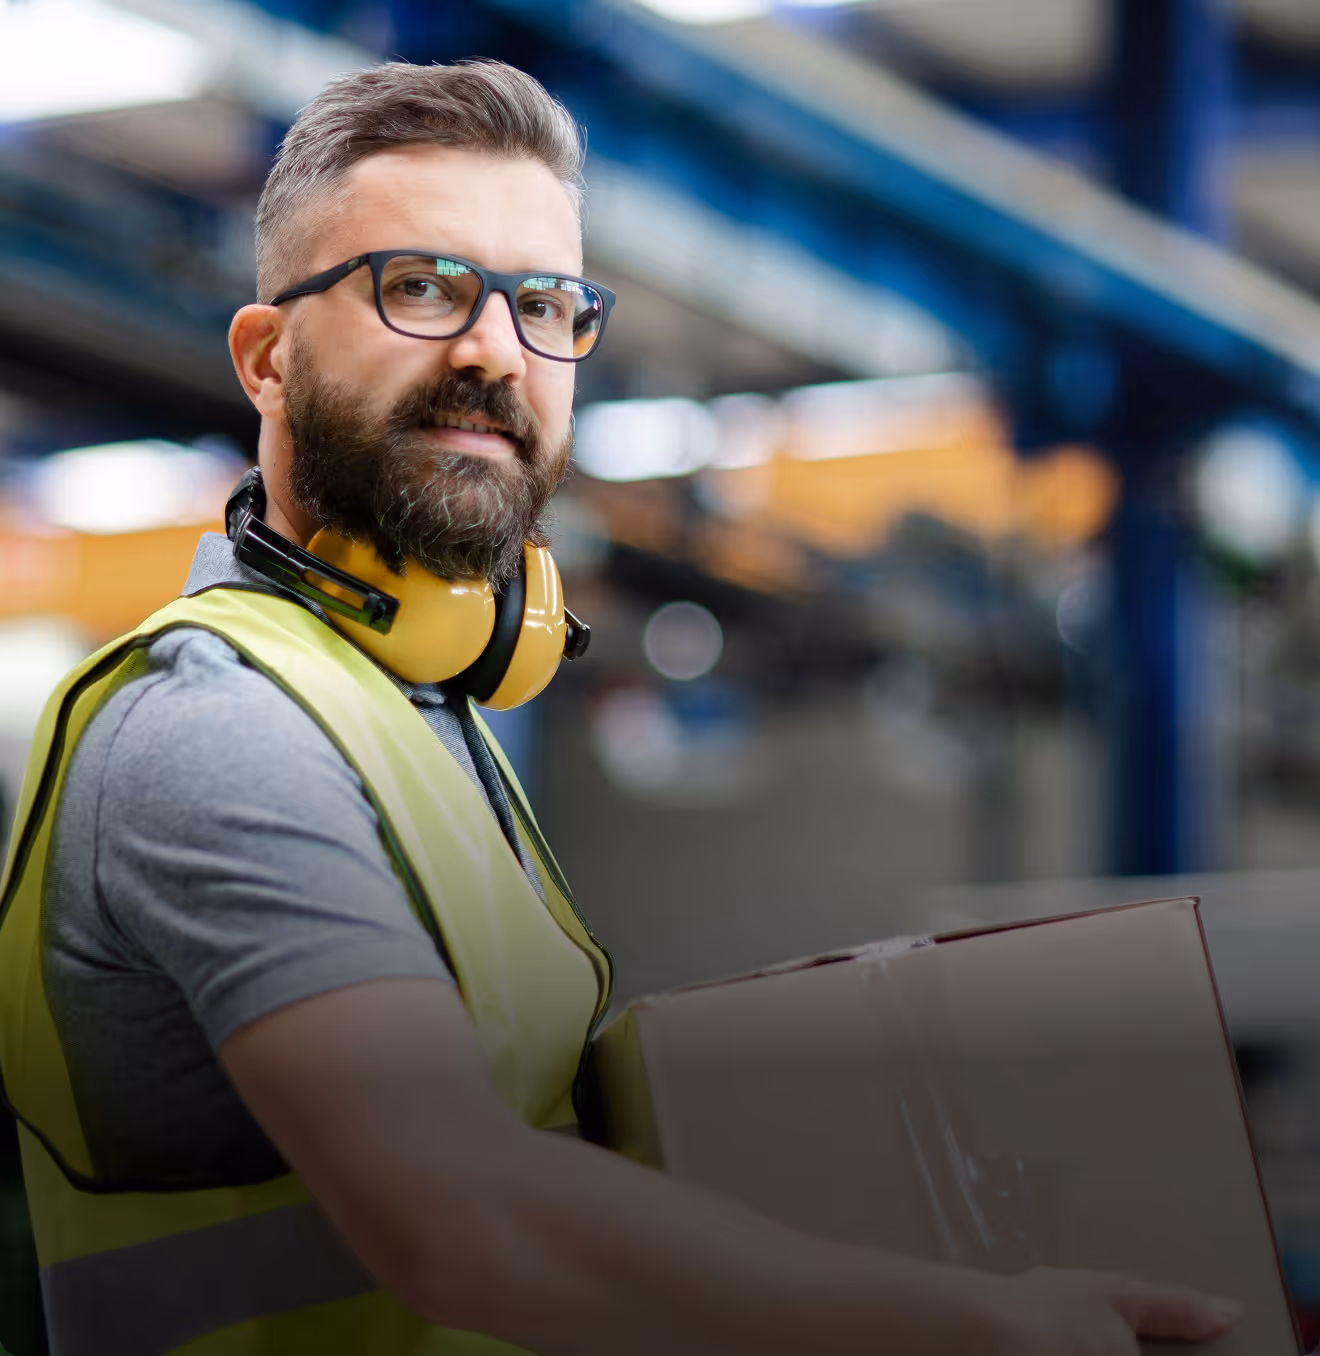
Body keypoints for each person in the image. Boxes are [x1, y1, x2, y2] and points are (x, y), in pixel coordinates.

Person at [0, 60, 1242, 1356]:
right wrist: (971, 1321)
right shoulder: (217, 729)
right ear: (266, 357)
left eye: (544, 304)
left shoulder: (427, 720)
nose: (494, 350)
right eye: (419, 286)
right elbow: (465, 1214)